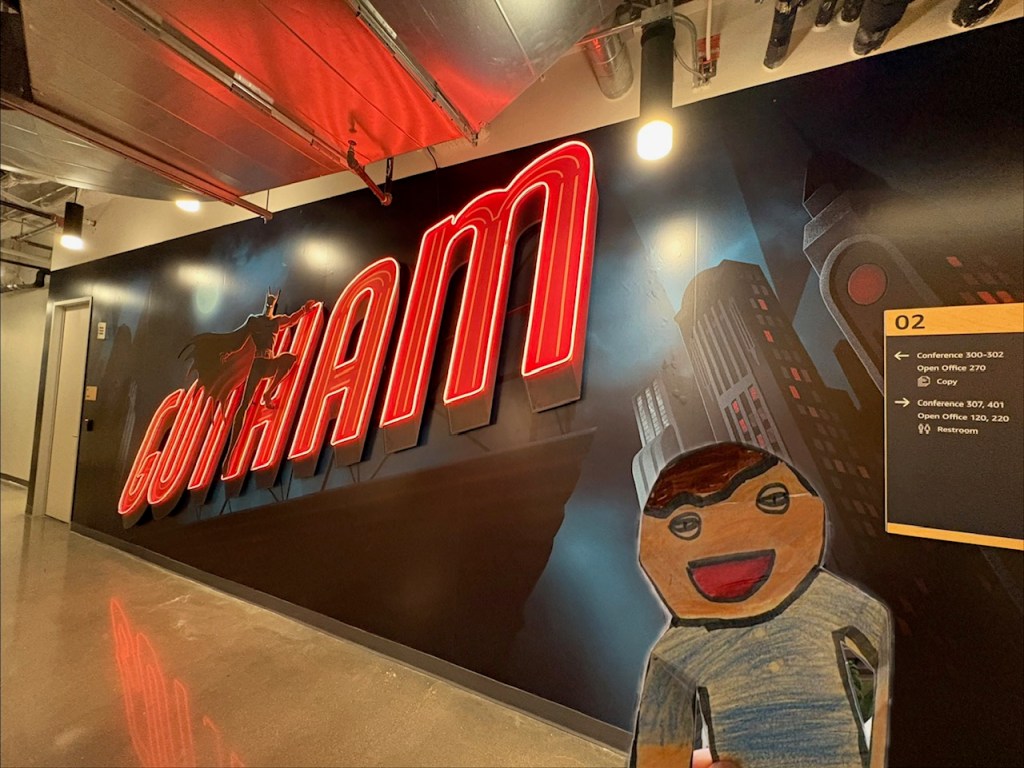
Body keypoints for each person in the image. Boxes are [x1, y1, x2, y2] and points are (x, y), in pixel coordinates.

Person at [631, 443, 892, 768]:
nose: (730, 535)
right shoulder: (678, 651)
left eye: (772, 500)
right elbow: (658, 751)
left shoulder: (832, 601)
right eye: (686, 524)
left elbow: (895, 677)